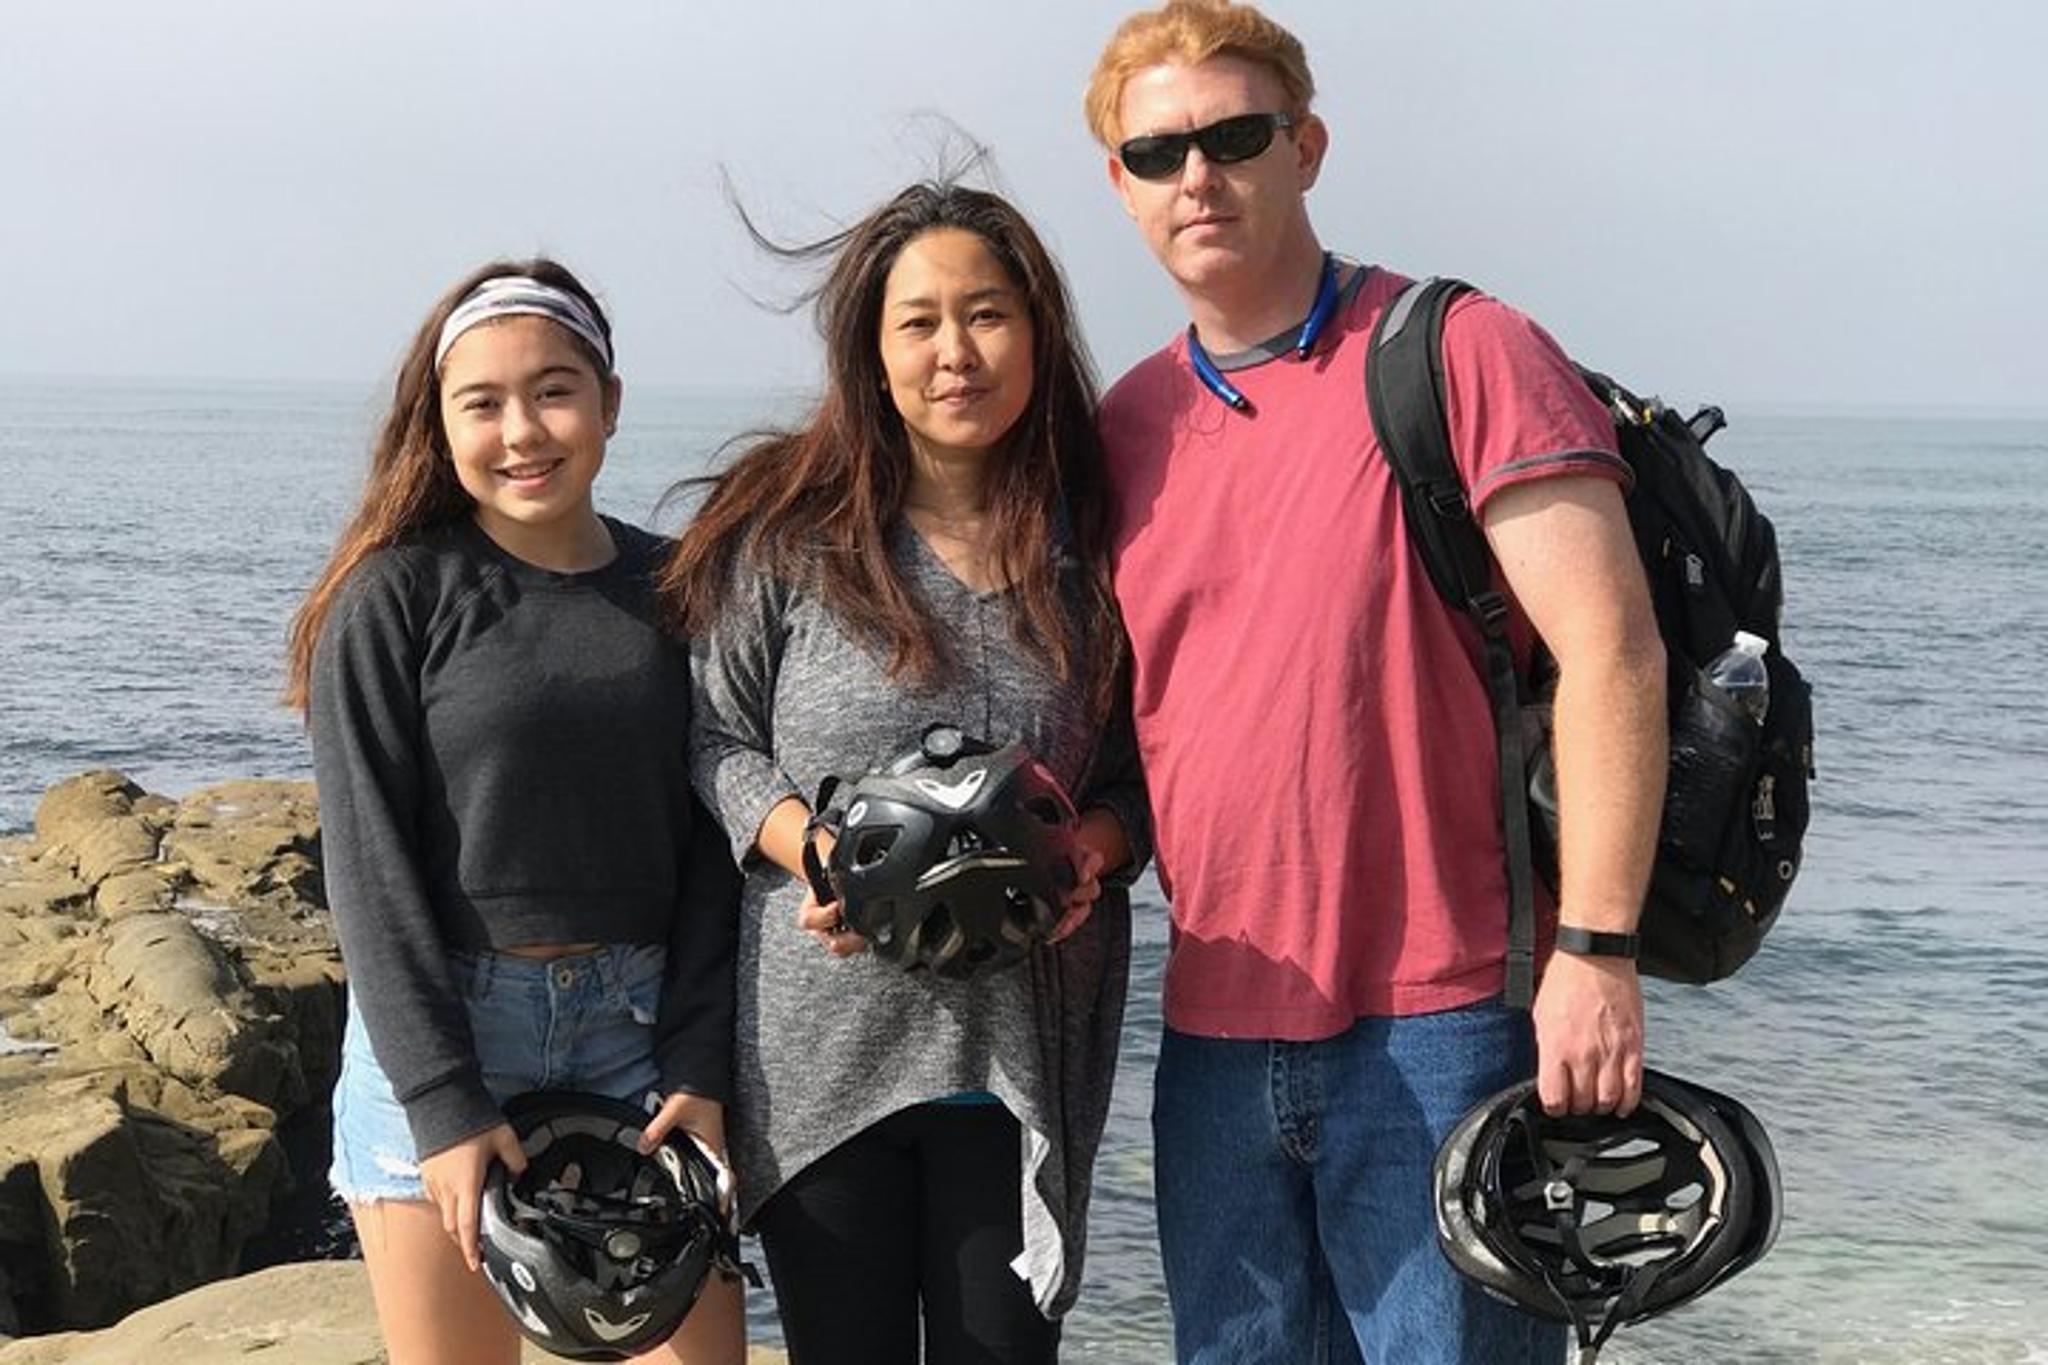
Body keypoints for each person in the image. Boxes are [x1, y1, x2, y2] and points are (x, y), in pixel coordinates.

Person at [1081, 3, 1668, 1362]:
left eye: (1235, 136)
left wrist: (1598, 952)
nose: (1198, 178)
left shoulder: (1457, 351)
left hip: (1450, 1017)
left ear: (1309, 146)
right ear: (1119, 184)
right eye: (1157, 152)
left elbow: (1613, 651)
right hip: (1215, 1034)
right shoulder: (1127, 425)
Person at [663, 179, 1148, 1364]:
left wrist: (1093, 850)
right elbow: (714, 740)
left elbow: (1142, 774)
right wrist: (812, 847)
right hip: (821, 1052)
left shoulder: (1101, 545)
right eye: (917, 323)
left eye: (985, 315)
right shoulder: (783, 531)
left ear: (1036, 332)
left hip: (1018, 1056)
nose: (954, 353)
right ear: (870, 355)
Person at [286, 259, 746, 1365]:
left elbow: (714, 852)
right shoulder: (392, 597)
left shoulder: (680, 589)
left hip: (637, 1042)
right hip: (448, 1030)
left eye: (553, 390)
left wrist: (696, 1062)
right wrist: (444, 1103)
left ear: (610, 403)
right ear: (438, 425)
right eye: (480, 403)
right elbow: (367, 866)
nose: (522, 431)